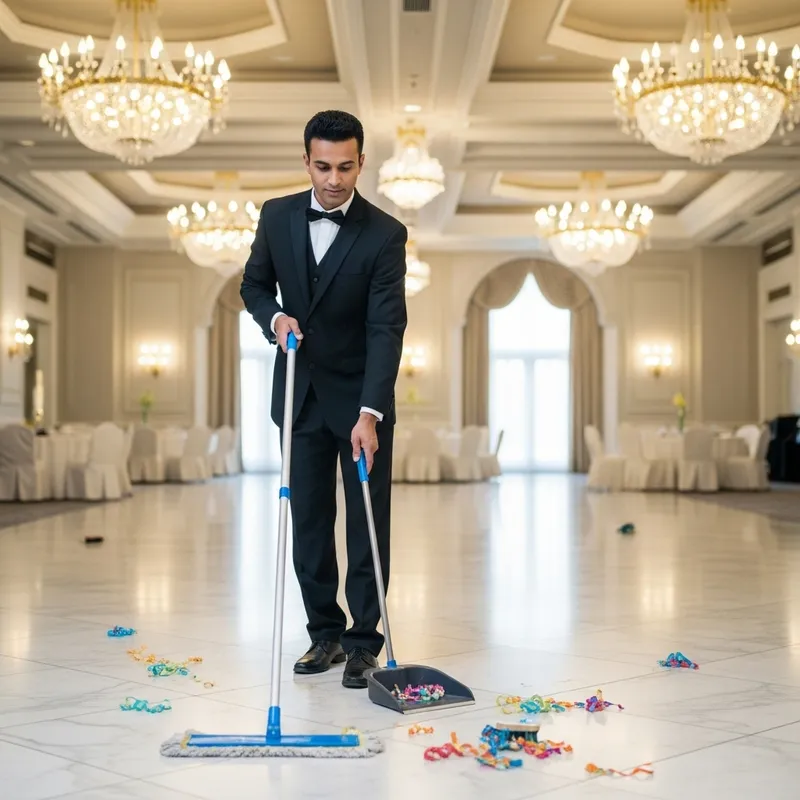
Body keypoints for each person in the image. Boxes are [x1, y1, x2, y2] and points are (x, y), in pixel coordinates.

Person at [240, 110, 407, 688]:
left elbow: (386, 328)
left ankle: (364, 642)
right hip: (297, 396)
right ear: (305, 160)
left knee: (366, 524)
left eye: (345, 166)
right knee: (309, 521)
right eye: (322, 166)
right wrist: (274, 316)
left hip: (361, 402)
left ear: (362, 162)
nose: (333, 179)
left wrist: (371, 412)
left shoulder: (385, 233)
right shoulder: (276, 215)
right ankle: (325, 636)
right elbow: (253, 285)